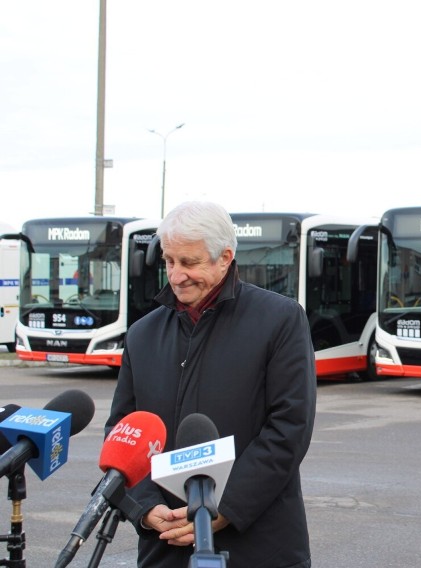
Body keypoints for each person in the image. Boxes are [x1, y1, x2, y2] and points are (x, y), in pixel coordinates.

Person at [106, 201, 316, 568]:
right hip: (166, 543)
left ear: (225, 257)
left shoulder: (280, 320)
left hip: (259, 545)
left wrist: (226, 507)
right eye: (169, 261)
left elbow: (289, 428)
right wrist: (144, 506)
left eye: (189, 263)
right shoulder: (142, 335)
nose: (176, 275)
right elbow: (123, 432)